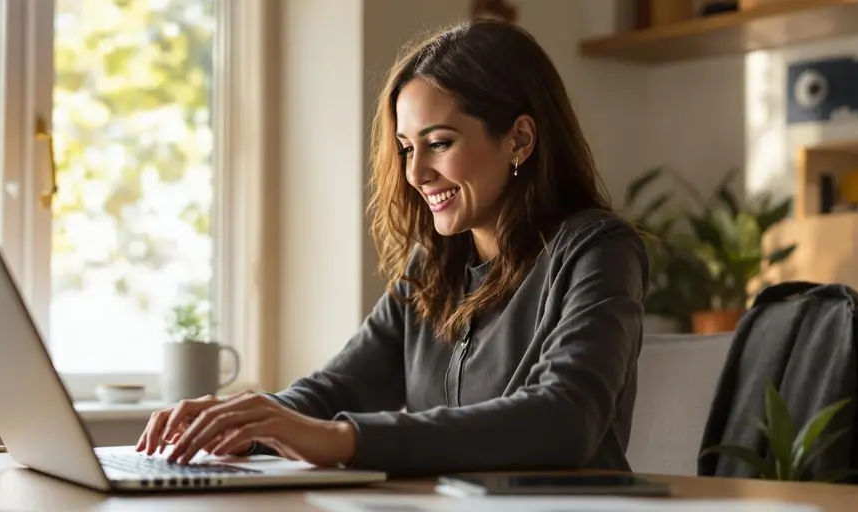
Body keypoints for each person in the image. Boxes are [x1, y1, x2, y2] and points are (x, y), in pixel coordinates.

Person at [135, 18, 649, 477]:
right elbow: (336, 390)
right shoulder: (432, 268)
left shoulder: (598, 252)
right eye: (407, 148)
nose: (416, 173)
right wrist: (250, 418)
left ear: (519, 139)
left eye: (440, 143)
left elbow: (564, 419)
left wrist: (343, 438)